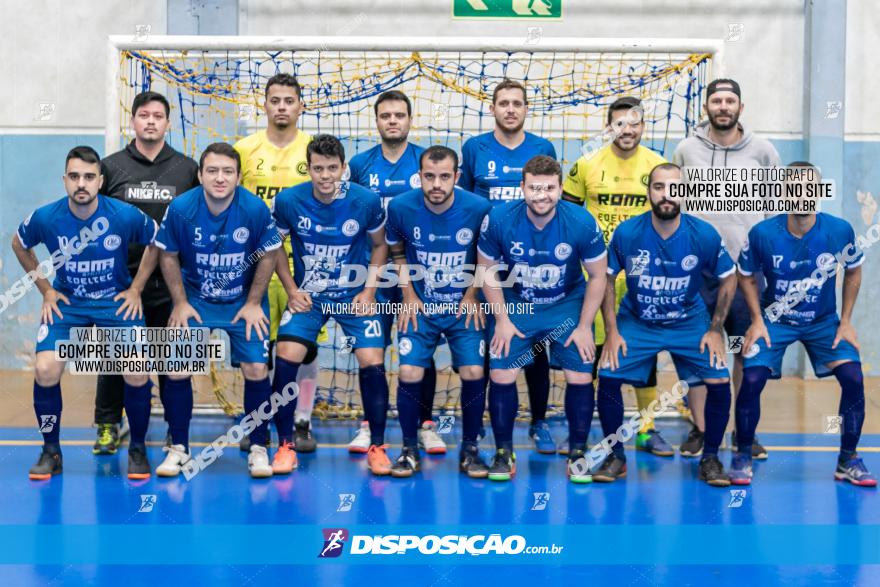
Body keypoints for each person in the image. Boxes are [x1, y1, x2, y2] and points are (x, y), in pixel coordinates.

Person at [13, 146, 159, 480]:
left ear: (100, 181)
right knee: (46, 369)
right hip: (69, 305)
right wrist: (46, 289)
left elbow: (157, 240)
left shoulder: (122, 214)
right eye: (75, 176)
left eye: (89, 177)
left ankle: (137, 448)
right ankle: (51, 451)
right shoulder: (47, 217)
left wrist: (135, 288)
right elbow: (19, 244)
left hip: (115, 303)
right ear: (65, 180)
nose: (82, 184)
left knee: (137, 370)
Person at [732, 162, 876, 487]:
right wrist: (756, 319)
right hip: (774, 320)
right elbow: (745, 275)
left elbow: (853, 271)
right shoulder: (763, 233)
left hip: (823, 322)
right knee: (752, 377)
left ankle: (847, 459)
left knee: (853, 377)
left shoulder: (839, 230)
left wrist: (847, 321)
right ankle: (742, 453)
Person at [598, 163, 735, 486]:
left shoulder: (703, 234)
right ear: (649, 191)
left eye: (674, 187)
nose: (666, 194)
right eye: (659, 187)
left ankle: (711, 457)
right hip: (638, 320)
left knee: (719, 380)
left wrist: (716, 329)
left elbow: (729, 279)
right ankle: (615, 455)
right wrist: (613, 331)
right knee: (607, 375)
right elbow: (605, 278)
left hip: (689, 321)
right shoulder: (629, 232)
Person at [477, 155, 607, 483]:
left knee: (579, 375)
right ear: (522, 187)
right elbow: (487, 271)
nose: (541, 195)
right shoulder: (499, 219)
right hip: (517, 304)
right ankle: (504, 451)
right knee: (502, 374)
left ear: (561, 188)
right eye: (534, 188)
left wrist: (583, 326)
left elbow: (597, 277)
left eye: (549, 188)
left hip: (566, 304)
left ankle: (577, 451)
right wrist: (503, 321)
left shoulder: (581, 222)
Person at [154, 143, 281, 478]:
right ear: (200, 175)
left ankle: (258, 446)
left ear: (239, 176)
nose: (220, 178)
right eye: (212, 170)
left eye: (227, 171)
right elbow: (167, 253)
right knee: (178, 368)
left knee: (256, 368)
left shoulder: (254, 209)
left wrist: (254, 302)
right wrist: (180, 303)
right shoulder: (181, 208)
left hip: (242, 300)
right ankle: (178, 447)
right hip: (196, 297)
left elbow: (269, 254)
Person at [672, 78, 781, 459]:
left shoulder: (764, 151)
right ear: (706, 107)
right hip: (698, 275)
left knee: (742, 351)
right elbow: (677, 206)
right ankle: (702, 429)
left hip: (748, 273)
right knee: (699, 352)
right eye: (716, 100)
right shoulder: (686, 149)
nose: (722, 106)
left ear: (740, 107)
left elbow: (775, 209)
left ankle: (742, 430)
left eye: (729, 100)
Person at [272, 134, 392, 476]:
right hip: (309, 296)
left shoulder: (366, 201)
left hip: (353, 296)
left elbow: (380, 246)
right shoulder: (289, 201)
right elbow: (274, 245)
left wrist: (369, 292)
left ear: (343, 168)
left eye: (332, 168)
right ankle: (285, 446)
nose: (325, 176)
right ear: (307, 169)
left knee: (372, 359)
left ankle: (378, 446)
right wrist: (292, 288)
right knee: (286, 356)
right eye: (318, 169)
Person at [562, 96, 674, 457]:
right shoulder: (586, 164)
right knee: (588, 352)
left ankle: (647, 428)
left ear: (643, 127)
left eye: (635, 123)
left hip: (641, 276)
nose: (627, 130)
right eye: (619, 123)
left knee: (645, 353)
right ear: (608, 128)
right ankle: (583, 430)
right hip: (593, 276)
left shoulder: (657, 166)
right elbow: (567, 215)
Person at [93, 91, 199, 455]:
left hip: (172, 282)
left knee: (172, 358)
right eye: (143, 115)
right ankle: (108, 425)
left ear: (168, 123)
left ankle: (175, 429)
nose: (150, 121)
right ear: (133, 121)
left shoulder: (187, 169)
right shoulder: (110, 167)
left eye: (158, 116)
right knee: (116, 357)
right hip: (121, 281)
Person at [459, 79, 559, 454]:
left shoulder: (542, 148)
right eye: (504, 103)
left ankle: (538, 422)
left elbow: (550, 201)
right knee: (490, 346)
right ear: (493, 109)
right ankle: (485, 422)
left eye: (517, 103)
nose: (511, 109)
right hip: (489, 264)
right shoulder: (474, 149)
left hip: (532, 266)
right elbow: (465, 209)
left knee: (534, 350)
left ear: (526, 108)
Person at [347, 90, 445, 455]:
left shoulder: (426, 163)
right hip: (372, 274)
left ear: (409, 120)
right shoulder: (360, 164)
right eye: (385, 115)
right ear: (377, 121)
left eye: (399, 115)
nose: (392, 120)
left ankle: (425, 423)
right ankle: (368, 424)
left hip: (418, 277)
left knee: (419, 350)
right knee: (370, 349)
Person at [385, 145, 492, 477]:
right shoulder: (401, 207)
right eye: (429, 176)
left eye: (444, 177)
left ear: (456, 177)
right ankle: (408, 450)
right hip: (421, 304)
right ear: (419, 176)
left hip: (464, 306)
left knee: (474, 372)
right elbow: (397, 252)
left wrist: (473, 294)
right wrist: (407, 295)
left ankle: (470, 449)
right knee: (408, 373)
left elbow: (485, 256)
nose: (436, 184)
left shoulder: (478, 208)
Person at [233, 73, 321, 453]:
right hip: (257, 268)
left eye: (289, 100)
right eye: (275, 100)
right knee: (257, 350)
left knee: (304, 349)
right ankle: (258, 420)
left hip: (306, 268)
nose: (282, 106)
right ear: (264, 105)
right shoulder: (244, 149)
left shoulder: (313, 150)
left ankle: (302, 420)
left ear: (301, 105)